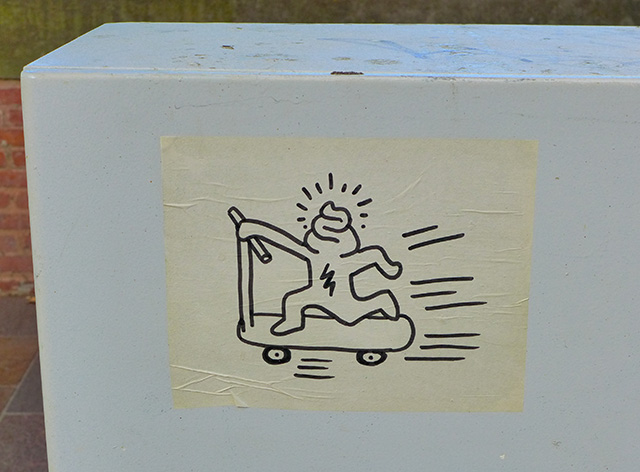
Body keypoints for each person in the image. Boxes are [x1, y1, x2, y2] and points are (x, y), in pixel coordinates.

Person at [236, 201, 403, 336]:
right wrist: (255, 229)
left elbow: (373, 254)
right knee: (293, 300)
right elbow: (285, 241)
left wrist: (389, 268)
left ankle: (382, 300)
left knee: (349, 317)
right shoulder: (314, 254)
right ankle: (293, 322)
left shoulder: (347, 260)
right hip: (315, 293)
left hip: (340, 299)